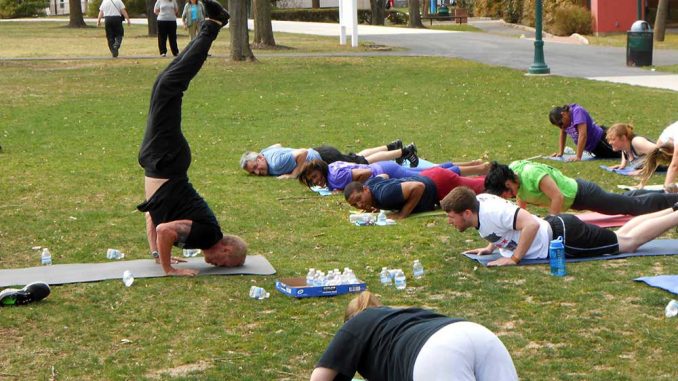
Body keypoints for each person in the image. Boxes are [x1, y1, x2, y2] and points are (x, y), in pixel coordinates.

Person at [136, 1, 246, 277]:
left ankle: (211, 25)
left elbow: (155, 219)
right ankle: (213, 24)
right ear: (226, 251)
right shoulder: (208, 236)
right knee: (170, 87)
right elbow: (165, 230)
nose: (214, 265)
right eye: (223, 263)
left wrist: (158, 254)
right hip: (166, 160)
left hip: (163, 163)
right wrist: (168, 268)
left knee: (166, 84)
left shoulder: (201, 238)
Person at [442, 186, 678, 267]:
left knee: (628, 244)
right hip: (561, 230)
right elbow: (503, 228)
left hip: (564, 238)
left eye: (452, 217)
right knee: (622, 235)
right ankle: (672, 209)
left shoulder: (491, 210)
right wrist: (490, 248)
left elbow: (531, 224)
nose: (450, 222)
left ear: (467, 213)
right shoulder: (479, 208)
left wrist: (514, 259)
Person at [310, 291, 518, 381]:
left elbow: (320, 377)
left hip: (438, 352)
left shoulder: (355, 324)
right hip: (478, 334)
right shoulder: (404, 315)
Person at [483, 160, 678, 216]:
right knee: (625, 201)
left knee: (631, 207)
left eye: (505, 193)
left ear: (508, 183)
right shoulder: (514, 177)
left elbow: (557, 197)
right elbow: (521, 199)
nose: (507, 197)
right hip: (577, 199)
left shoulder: (532, 174)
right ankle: (663, 193)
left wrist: (550, 225)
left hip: (584, 194)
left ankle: (672, 201)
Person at [343, 167, 485, 219]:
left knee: (484, 187)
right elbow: (384, 176)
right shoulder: (370, 185)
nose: (360, 205)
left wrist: (402, 214)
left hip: (438, 183)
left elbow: (418, 187)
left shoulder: (384, 195)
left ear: (365, 190)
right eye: (355, 205)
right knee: (475, 183)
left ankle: (502, 174)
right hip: (429, 175)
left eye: (359, 199)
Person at [240, 140, 418, 179]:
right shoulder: (265, 152)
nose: (258, 171)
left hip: (323, 158)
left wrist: (294, 173)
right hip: (321, 152)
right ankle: (392, 146)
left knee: (363, 162)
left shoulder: (276, 163)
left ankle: (405, 152)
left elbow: (301, 152)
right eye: (253, 171)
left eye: (257, 166)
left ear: (261, 157)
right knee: (358, 157)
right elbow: (277, 145)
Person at [299, 158, 489, 192]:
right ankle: (473, 165)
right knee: (431, 171)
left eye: (315, 177)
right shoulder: (331, 169)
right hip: (385, 166)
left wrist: (349, 188)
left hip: (386, 171)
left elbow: (363, 172)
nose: (316, 182)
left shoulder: (336, 178)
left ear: (321, 171)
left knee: (433, 175)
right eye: (312, 181)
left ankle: (479, 170)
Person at [548, 104, 620, 161]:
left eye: (561, 124)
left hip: (601, 141)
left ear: (563, 114)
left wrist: (578, 156)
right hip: (594, 148)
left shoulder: (577, 112)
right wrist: (561, 152)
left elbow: (583, 135)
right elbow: (563, 133)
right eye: (559, 126)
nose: (562, 127)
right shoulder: (564, 122)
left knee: (624, 153)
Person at [638, 121, 678, 193]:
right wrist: (642, 183)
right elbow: (652, 162)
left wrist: (666, 192)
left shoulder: (667, 137)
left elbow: (674, 166)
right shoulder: (662, 141)